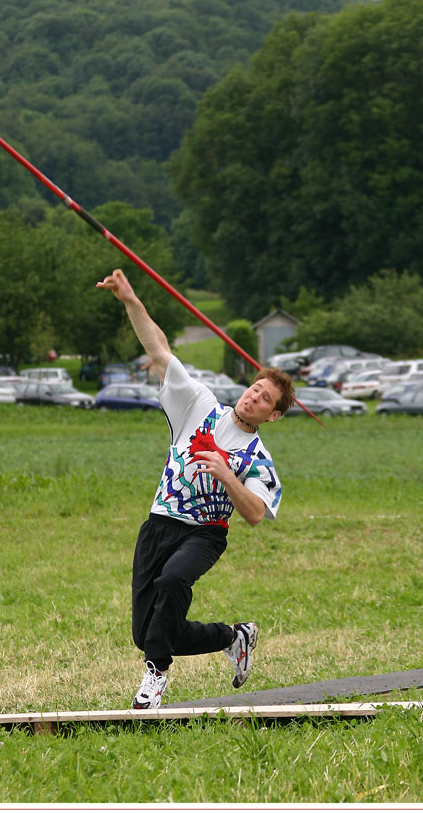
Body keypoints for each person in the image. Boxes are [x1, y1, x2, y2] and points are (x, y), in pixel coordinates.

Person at [96, 269, 295, 709]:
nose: (254, 398)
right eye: (255, 389)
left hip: (204, 534)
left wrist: (227, 475)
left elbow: (256, 514)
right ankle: (232, 636)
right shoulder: (200, 405)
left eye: (265, 400)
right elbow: (160, 350)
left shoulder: (257, 460)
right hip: (159, 524)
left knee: (173, 581)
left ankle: (156, 676)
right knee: (146, 632)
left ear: (274, 416)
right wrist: (130, 299)